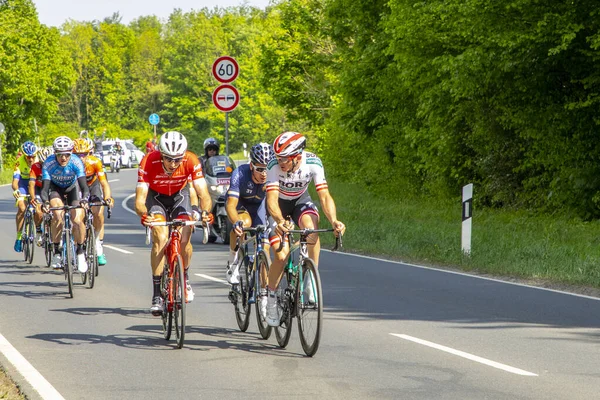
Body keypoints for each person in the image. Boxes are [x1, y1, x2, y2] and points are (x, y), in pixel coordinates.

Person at [263, 131, 346, 327]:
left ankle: (309, 278)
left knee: (311, 229)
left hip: (301, 201)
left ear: (297, 156)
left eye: (284, 158)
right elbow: (272, 200)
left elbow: (324, 196)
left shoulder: (313, 162)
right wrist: (280, 221)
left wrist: (334, 220)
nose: (280, 162)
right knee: (282, 256)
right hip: (278, 206)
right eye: (278, 157)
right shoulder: (274, 166)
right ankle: (272, 298)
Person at [135, 131, 212, 316]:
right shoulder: (148, 161)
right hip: (157, 199)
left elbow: (203, 194)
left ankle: (184, 278)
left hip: (180, 196)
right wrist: (144, 214)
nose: (173, 164)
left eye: (177, 159)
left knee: (185, 235)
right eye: (169, 159)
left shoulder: (191, 160)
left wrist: (206, 212)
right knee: (160, 238)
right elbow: (139, 199)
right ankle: (156, 295)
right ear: (161, 154)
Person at [225, 143, 274, 287]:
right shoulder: (240, 173)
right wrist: (235, 222)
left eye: (267, 169)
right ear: (251, 166)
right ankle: (233, 262)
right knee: (243, 224)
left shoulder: (274, 175)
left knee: (265, 247)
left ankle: (263, 298)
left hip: (260, 208)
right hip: (241, 205)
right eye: (259, 169)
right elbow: (230, 205)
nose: (264, 173)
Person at [41, 136, 90, 272]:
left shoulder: (76, 162)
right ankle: (57, 251)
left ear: (71, 153)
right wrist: (45, 202)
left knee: (78, 219)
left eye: (67, 155)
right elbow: (44, 190)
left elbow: (84, 187)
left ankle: (80, 252)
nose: (63, 158)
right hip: (56, 189)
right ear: (55, 153)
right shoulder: (48, 163)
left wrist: (85, 199)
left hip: (73, 188)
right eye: (60, 155)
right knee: (57, 215)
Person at [73, 138, 114, 265]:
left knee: (98, 212)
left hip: (93, 185)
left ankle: (97, 243)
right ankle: (77, 244)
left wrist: (108, 198)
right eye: (77, 155)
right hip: (78, 186)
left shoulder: (95, 162)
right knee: (77, 216)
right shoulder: (71, 164)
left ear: (89, 153)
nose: (81, 158)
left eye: (84, 154)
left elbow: (103, 183)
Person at [12, 141, 38, 252]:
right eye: (28, 157)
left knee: (38, 206)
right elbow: (15, 182)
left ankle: (39, 227)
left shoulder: (38, 161)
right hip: (23, 183)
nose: (31, 159)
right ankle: (18, 237)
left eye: (33, 156)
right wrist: (16, 190)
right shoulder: (19, 162)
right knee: (22, 208)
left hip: (35, 183)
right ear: (24, 155)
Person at [28, 146, 54, 246]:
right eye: (43, 164)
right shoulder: (35, 167)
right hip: (38, 189)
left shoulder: (56, 166)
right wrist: (33, 197)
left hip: (51, 189)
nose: (45, 166)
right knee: (38, 210)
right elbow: (31, 184)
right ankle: (38, 230)